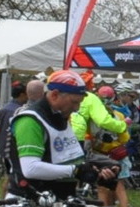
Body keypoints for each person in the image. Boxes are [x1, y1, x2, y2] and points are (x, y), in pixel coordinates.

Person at [5, 71, 91, 200]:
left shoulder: (59, 115)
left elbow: (68, 154)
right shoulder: (30, 120)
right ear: (55, 95)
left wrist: (99, 167)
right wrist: (75, 171)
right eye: (74, 102)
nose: (76, 108)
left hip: (57, 198)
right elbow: (31, 168)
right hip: (31, 200)